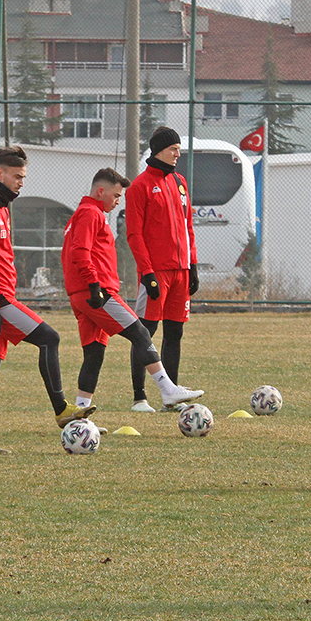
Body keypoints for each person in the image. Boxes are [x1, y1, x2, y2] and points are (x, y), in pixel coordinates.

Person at [0, 145, 92, 454]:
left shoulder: (0, 205)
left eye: (23, 176)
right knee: (49, 338)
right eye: (17, 176)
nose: (22, 182)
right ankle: (61, 409)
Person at [61, 167, 204, 415]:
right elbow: (79, 252)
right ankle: (168, 390)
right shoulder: (89, 213)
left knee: (94, 353)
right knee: (140, 332)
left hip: (82, 294)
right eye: (116, 196)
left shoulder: (85, 214)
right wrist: (94, 284)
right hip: (96, 293)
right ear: (101, 191)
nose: (118, 202)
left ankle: (79, 412)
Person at [126, 126, 201, 412]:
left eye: (179, 149)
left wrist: (192, 264)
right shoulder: (140, 186)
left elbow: (188, 227)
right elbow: (134, 234)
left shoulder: (180, 182)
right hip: (156, 272)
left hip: (181, 271)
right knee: (144, 333)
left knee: (175, 333)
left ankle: (172, 396)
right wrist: (146, 272)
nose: (177, 154)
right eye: (173, 149)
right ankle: (139, 397)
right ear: (158, 150)